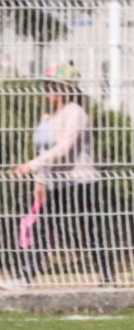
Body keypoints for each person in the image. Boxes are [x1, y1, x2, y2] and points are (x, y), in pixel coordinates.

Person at [10, 62, 112, 285]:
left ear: (66, 89)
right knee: (42, 228)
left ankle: (107, 274)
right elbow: (44, 150)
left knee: (87, 231)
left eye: (53, 87)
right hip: (56, 183)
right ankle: (27, 274)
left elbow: (64, 147)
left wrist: (30, 166)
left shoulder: (75, 113)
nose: (48, 92)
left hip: (79, 182)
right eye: (47, 86)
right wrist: (40, 180)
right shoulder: (49, 117)